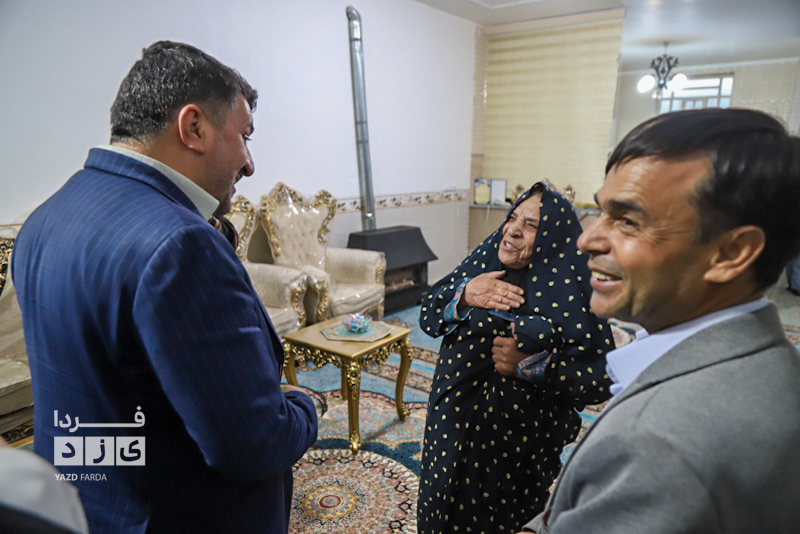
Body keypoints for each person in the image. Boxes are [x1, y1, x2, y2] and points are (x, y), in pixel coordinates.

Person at [12, 41, 318, 533]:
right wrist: (305, 404)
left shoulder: (46, 217)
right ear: (193, 127)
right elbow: (253, 444)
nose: (249, 163)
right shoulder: (180, 245)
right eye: (244, 136)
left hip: (82, 504)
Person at [519, 108, 800, 533]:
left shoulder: (657, 443)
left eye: (628, 221)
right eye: (601, 212)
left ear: (731, 253)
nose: (586, 239)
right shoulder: (772, 362)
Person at [417, 182, 616, 533]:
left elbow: (600, 379)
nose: (512, 229)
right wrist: (465, 294)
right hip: (450, 424)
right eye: (512, 217)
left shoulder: (571, 291)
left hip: (516, 451)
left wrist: (531, 366)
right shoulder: (485, 263)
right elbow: (429, 312)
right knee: (439, 503)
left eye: (531, 224)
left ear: (554, 237)